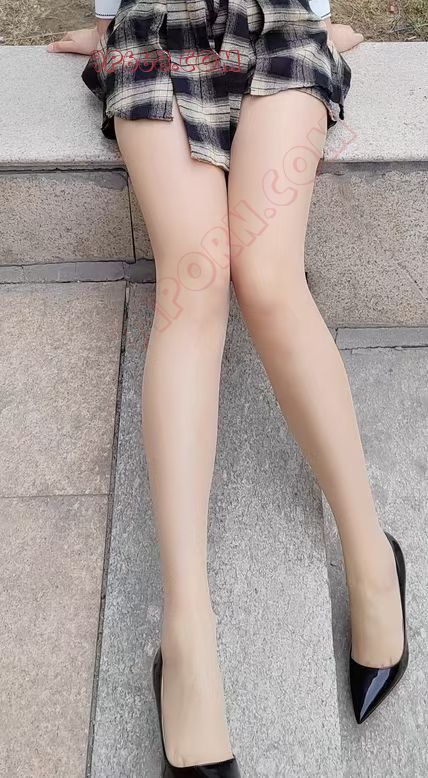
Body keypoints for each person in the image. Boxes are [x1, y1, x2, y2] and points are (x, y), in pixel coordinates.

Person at [48, 2, 408, 775]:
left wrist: (320, 18)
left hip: (278, 22)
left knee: (269, 277)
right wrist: (108, 18)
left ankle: (372, 557)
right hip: (154, 28)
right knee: (194, 281)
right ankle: (186, 636)